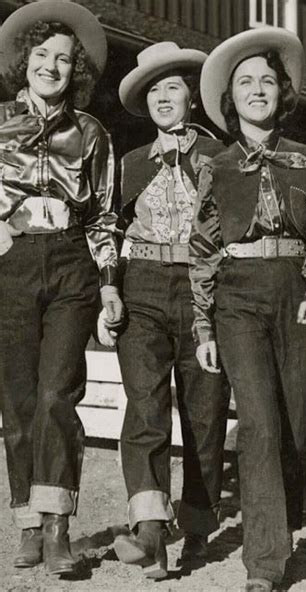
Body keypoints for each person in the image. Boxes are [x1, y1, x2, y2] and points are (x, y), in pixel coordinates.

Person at [189, 27, 306, 592]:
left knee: (297, 425)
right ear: (232, 98)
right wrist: (203, 322)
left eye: (265, 81)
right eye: (244, 82)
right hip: (237, 294)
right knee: (258, 424)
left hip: (297, 290)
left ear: (282, 92)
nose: (256, 90)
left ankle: (284, 517)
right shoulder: (216, 167)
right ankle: (266, 563)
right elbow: (201, 249)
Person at [97, 42, 230, 579]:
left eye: (172, 86)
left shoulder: (223, 157)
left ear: (192, 98)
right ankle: (149, 526)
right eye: (152, 91)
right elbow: (106, 227)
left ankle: (197, 526)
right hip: (143, 287)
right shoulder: (130, 163)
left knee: (205, 413)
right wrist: (109, 285)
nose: (162, 98)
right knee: (145, 405)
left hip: (205, 290)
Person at [0, 0, 121, 576]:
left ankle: (58, 527)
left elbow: (103, 217)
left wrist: (109, 281)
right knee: (19, 401)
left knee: (57, 394)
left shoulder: (93, 134)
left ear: (78, 72)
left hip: (72, 262)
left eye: (65, 60)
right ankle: (28, 520)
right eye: (43, 56)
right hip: (12, 265)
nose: (52, 66)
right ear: (25, 63)